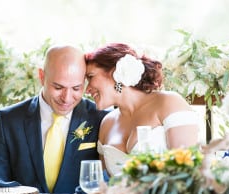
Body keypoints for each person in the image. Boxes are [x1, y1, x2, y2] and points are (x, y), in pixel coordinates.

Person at [0, 44, 109, 194]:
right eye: (58, 87)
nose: (67, 98)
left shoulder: (101, 119)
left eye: (76, 88)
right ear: (42, 77)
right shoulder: (8, 120)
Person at [84, 43, 200, 176]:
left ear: (114, 73)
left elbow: (188, 174)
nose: (87, 89)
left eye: (91, 77)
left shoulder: (169, 103)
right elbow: (105, 185)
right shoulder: (107, 123)